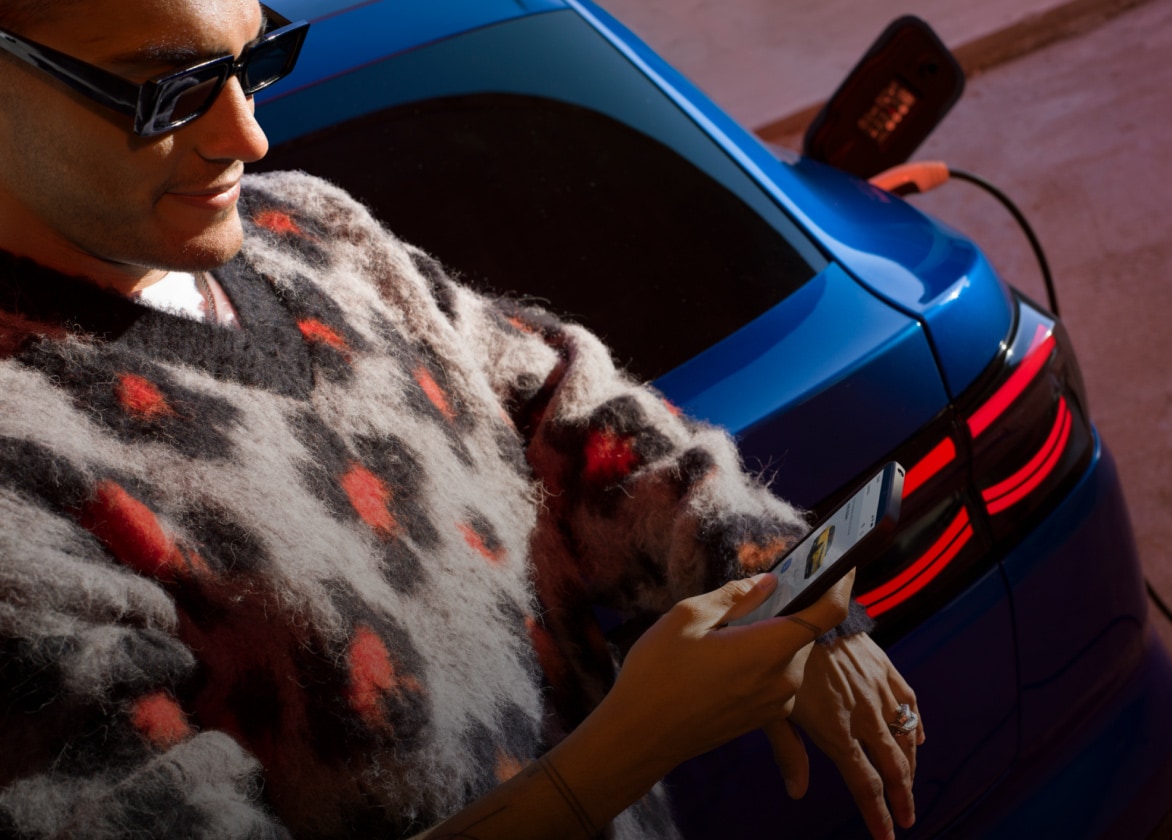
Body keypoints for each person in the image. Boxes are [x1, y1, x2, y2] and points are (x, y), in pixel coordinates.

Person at [0, 1, 924, 837]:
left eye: (254, 60)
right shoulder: (16, 474)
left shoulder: (315, 232)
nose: (247, 134)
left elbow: (575, 415)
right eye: (171, 91)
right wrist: (628, 751)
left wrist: (788, 597)